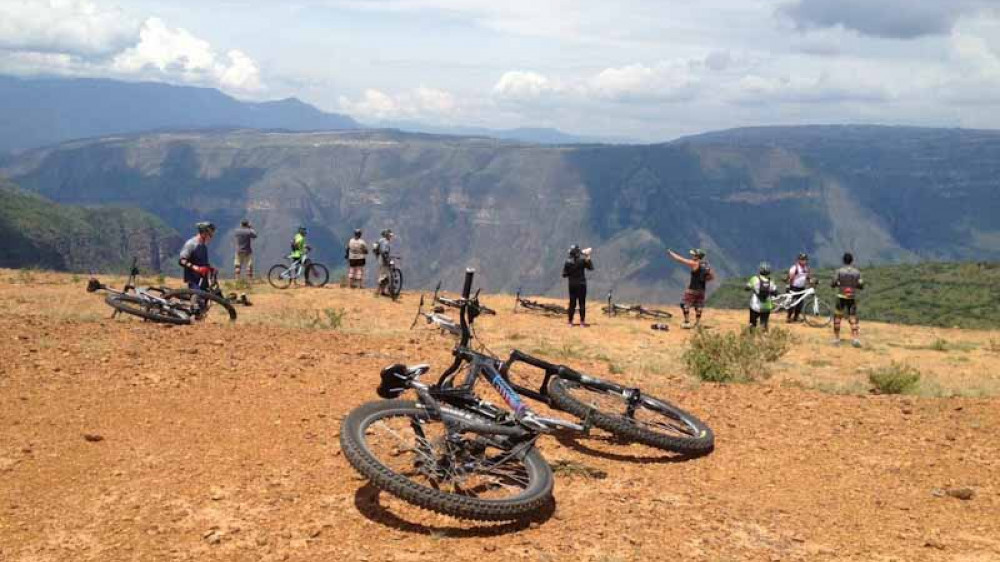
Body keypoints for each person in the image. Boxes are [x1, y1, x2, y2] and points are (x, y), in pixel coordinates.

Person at [667, 248, 714, 328]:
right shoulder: (706, 265)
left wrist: (671, 253)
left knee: (684, 304)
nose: (692, 256)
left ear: (697, 256)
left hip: (692, 289)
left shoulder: (694, 263)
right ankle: (697, 323)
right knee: (699, 306)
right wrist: (703, 279)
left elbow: (680, 259)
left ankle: (687, 322)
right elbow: (712, 277)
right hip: (702, 290)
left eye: (694, 255)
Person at [831, 252, 865, 347]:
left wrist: (837, 283)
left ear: (843, 260)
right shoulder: (857, 272)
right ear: (852, 261)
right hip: (851, 297)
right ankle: (855, 339)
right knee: (853, 318)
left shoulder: (839, 271)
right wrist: (854, 285)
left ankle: (837, 339)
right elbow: (861, 285)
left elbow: (833, 283)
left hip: (841, 297)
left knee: (837, 318)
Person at [178, 222, 216, 290]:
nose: (212, 237)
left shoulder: (203, 245)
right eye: (210, 234)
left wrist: (210, 268)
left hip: (203, 279)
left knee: (207, 297)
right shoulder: (191, 244)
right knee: (197, 298)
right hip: (193, 280)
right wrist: (195, 268)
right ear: (204, 233)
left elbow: (201, 261)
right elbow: (181, 260)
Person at [562, 245, 593, 327]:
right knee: (582, 303)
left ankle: (570, 322)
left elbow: (564, 275)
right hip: (582, 284)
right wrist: (587, 256)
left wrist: (570, 272)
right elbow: (591, 267)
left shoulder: (568, 262)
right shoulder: (582, 261)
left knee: (572, 303)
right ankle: (582, 322)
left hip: (572, 285)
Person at [746, 262, 778, 332]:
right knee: (764, 325)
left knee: (752, 324)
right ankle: (764, 339)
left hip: (755, 306)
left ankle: (751, 338)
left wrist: (751, 288)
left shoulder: (754, 279)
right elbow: (776, 293)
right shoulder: (771, 282)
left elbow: (747, 287)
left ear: (760, 270)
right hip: (766, 307)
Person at [785, 252, 813, 323]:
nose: (804, 261)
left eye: (805, 259)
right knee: (791, 303)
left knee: (800, 303)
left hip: (801, 288)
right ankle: (788, 317)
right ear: (799, 260)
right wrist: (788, 286)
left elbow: (808, 277)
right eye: (802, 259)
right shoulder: (795, 268)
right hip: (793, 287)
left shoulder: (807, 268)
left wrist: (811, 283)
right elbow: (790, 278)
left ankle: (796, 317)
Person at [232, 219, 257, 283]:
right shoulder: (248, 231)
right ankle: (250, 280)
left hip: (239, 250)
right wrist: (251, 228)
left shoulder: (237, 231)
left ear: (241, 224)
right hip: (247, 251)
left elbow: (235, 236)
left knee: (237, 265)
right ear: (247, 224)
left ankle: (237, 280)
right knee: (249, 266)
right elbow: (255, 235)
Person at [374, 229, 394, 296]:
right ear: (387, 235)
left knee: (383, 275)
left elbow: (374, 248)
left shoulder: (380, 240)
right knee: (384, 277)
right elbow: (385, 252)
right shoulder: (386, 242)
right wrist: (387, 260)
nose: (390, 237)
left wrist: (377, 255)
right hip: (384, 260)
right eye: (390, 236)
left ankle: (382, 291)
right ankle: (378, 291)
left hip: (380, 259)